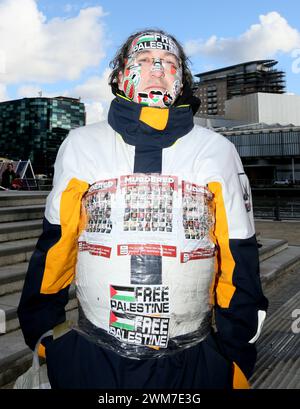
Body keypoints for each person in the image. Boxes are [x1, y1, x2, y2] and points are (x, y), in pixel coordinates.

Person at [18, 29, 268, 389]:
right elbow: (57, 244)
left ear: (182, 79)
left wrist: (237, 353)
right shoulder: (81, 145)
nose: (157, 69)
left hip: (194, 359)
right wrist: (42, 327)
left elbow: (239, 256)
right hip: (92, 356)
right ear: (120, 75)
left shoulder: (217, 150)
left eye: (169, 63)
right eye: (143, 61)